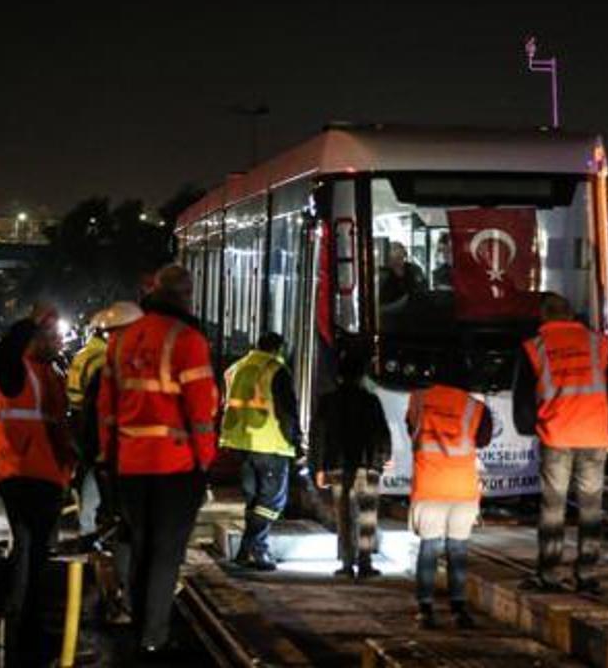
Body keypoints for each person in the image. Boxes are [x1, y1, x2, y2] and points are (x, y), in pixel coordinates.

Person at [97, 265, 218, 658]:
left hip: (130, 464)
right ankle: (153, 637)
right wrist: (205, 463)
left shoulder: (120, 341)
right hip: (176, 466)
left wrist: (110, 458)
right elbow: (201, 414)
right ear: (185, 296)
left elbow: (106, 411)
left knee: (141, 547)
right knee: (166, 553)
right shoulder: (189, 340)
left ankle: (138, 627)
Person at [512, 293, 608, 593]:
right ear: (571, 315)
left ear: (543, 317)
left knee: (553, 508)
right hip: (593, 436)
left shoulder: (534, 347)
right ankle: (587, 573)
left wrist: (529, 428)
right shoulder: (597, 344)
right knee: (591, 508)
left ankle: (549, 573)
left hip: (557, 436)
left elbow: (523, 398)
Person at [0, 305, 73, 667]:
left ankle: (23, 615)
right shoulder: (16, 369)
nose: (58, 341)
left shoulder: (53, 373)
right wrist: (30, 322)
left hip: (49, 475)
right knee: (29, 547)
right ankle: (22, 623)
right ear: (35, 337)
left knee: (37, 550)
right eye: (51, 335)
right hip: (21, 471)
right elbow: (8, 347)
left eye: (59, 336)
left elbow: (58, 424)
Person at [406, 379, 492, 629]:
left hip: (430, 486)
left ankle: (425, 610)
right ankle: (458, 609)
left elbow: (411, 430)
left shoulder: (419, 399)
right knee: (458, 550)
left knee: (429, 548)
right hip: (461, 489)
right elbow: (483, 440)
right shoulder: (474, 407)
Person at [78, 301, 143, 625]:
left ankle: (127, 596)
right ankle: (130, 598)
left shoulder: (105, 367)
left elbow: (93, 416)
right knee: (129, 529)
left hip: (119, 462)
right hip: (130, 463)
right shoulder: (115, 367)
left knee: (123, 527)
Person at [220, 332, 301, 571]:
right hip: (269, 444)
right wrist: (295, 441)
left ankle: (245, 552)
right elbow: (287, 410)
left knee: (254, 500)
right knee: (271, 501)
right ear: (278, 348)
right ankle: (258, 548)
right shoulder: (275, 369)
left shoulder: (235, 368)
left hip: (241, 443)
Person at [310, 348, 392, 580]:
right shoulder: (371, 401)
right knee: (367, 518)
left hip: (338, 467)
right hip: (367, 467)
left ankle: (347, 565)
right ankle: (365, 564)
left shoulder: (328, 402)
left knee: (344, 517)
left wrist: (318, 467)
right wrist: (383, 458)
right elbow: (382, 433)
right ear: (361, 376)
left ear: (340, 375)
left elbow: (319, 436)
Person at [66, 320, 114, 537]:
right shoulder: (103, 357)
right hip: (93, 420)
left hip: (80, 417)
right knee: (97, 473)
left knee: (89, 470)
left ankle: (87, 524)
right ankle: (91, 526)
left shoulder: (84, 353)